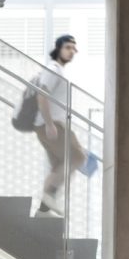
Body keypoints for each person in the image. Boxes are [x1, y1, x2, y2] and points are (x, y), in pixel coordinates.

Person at [34, 34, 89, 217]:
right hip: (51, 125)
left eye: (73, 48)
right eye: (67, 47)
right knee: (78, 158)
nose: (71, 51)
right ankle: (48, 198)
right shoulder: (53, 69)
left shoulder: (58, 71)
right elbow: (42, 96)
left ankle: (43, 210)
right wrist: (49, 124)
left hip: (52, 124)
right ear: (58, 49)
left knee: (60, 165)